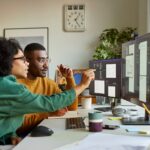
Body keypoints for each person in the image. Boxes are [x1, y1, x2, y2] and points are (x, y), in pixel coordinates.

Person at [0, 37, 95, 145]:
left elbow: (6, 120)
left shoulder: (8, 83)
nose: (26, 63)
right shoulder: (10, 87)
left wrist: (11, 136)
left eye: (47, 60)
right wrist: (82, 85)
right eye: (23, 59)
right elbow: (49, 103)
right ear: (7, 61)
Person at [17, 43, 78, 135]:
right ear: (27, 61)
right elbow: (17, 124)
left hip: (43, 131)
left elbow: (71, 107)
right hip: (21, 137)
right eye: (41, 60)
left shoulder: (49, 84)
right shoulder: (14, 85)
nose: (46, 65)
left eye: (47, 60)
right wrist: (49, 113)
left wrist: (70, 79)